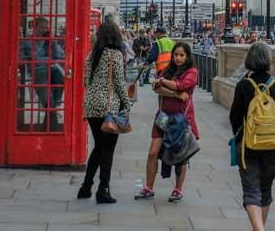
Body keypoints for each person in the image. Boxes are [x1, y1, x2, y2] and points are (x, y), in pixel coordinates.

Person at [229, 42, 275, 231]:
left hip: (249, 144)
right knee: (265, 190)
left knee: (251, 190)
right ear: (268, 60)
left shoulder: (244, 85)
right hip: (273, 145)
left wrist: (239, 134)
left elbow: (234, 117)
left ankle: (259, 229)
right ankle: (259, 227)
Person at [136, 41, 199, 202]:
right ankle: (148, 187)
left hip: (181, 119)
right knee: (153, 152)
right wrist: (176, 93)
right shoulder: (167, 70)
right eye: (176, 55)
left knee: (181, 156)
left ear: (187, 56)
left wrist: (163, 83)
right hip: (163, 117)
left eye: (181, 55)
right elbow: (157, 88)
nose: (178, 58)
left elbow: (182, 85)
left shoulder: (192, 72)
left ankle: (177, 189)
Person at [79, 20, 131, 204]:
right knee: (107, 150)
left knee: (98, 147)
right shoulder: (115, 55)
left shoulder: (91, 55)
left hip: (91, 106)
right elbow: (119, 83)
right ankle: (103, 190)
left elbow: (86, 82)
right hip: (108, 107)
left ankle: (85, 187)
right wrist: (127, 104)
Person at [18, 16, 65, 131]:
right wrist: (46, 59)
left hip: (52, 73)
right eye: (42, 27)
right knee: (49, 104)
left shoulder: (49, 40)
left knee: (52, 103)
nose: (44, 30)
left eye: (46, 28)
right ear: (35, 27)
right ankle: (53, 132)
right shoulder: (27, 42)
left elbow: (60, 56)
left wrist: (52, 42)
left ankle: (48, 128)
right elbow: (23, 58)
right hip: (39, 73)